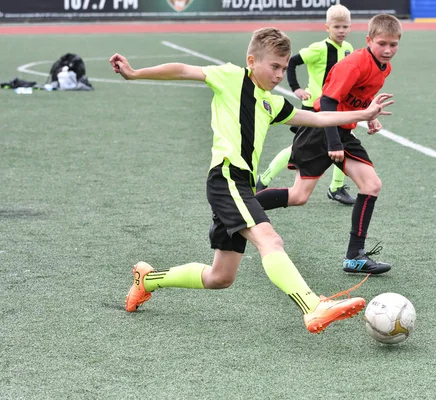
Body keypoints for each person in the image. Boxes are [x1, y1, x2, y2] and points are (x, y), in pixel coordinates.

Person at [109, 27, 394, 334]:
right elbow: (183, 69)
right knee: (270, 240)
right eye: (274, 66)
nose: (279, 74)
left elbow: (317, 117)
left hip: (240, 185)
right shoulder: (232, 77)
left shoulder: (271, 103)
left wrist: (363, 113)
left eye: (284, 68)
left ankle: (147, 279)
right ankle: (312, 306)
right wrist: (135, 74)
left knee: (220, 277)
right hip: (226, 176)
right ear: (252, 60)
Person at [255, 15, 403, 276]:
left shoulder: (384, 67)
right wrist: (334, 143)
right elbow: (328, 104)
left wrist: (372, 118)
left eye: (394, 44)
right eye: (382, 43)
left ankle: (354, 257)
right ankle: (235, 211)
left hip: (342, 131)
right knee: (299, 196)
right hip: (320, 130)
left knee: (371, 185)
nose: (388, 50)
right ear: (369, 40)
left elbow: (355, 102)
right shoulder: (355, 64)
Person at [256, 4, 356, 206]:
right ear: (327, 27)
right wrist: (296, 89)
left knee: (342, 143)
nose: (341, 31)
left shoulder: (348, 49)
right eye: (337, 27)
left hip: (336, 108)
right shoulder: (318, 49)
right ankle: (263, 180)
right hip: (314, 108)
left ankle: (336, 187)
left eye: (345, 27)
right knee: (297, 149)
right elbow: (291, 62)